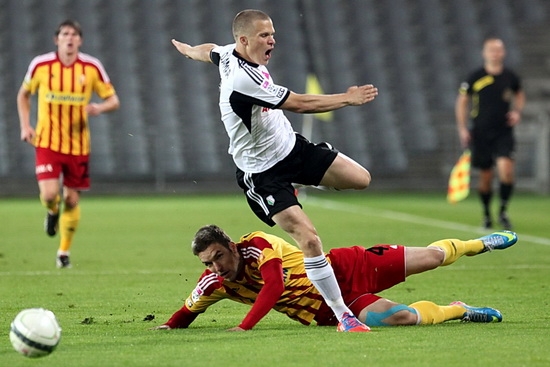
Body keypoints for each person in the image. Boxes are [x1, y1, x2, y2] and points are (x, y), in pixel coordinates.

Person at [171, 9, 378, 332]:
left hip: (291, 149)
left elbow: (208, 50)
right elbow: (300, 103)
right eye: (264, 35)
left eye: (272, 34)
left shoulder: (228, 53)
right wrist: (348, 99)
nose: (272, 40)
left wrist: (188, 50)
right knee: (309, 239)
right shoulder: (243, 80)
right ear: (244, 40)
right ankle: (344, 316)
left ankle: (309, 175)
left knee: (361, 179)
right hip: (263, 174)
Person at [153, 225, 517, 331]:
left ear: (231, 246)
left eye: (219, 256)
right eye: (208, 262)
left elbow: (275, 285)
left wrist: (244, 326)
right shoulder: (214, 282)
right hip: (333, 309)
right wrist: (171, 325)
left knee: (433, 257)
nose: (216, 266)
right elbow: (187, 311)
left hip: (345, 266)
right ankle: (458, 310)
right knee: (401, 317)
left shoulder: (258, 245)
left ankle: (477, 243)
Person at [17, 19, 120, 268]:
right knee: (50, 194)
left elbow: (113, 100)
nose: (69, 38)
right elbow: (24, 94)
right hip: (47, 141)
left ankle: (63, 253)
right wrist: (25, 125)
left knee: (72, 200)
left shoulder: (92, 67)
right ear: (57, 39)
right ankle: (52, 211)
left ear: (80, 40)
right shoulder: (40, 65)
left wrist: (98, 107)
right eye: (65, 33)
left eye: (74, 34)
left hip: (78, 145)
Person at [455, 37, 525, 230]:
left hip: (503, 131)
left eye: (499, 50)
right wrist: (462, 128)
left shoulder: (510, 76)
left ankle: (502, 211)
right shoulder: (475, 76)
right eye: (491, 50)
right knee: (486, 176)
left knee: (506, 171)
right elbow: (462, 101)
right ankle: (486, 214)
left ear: (503, 53)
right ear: (484, 53)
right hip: (481, 132)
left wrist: (517, 112)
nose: (495, 53)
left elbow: (519, 94)